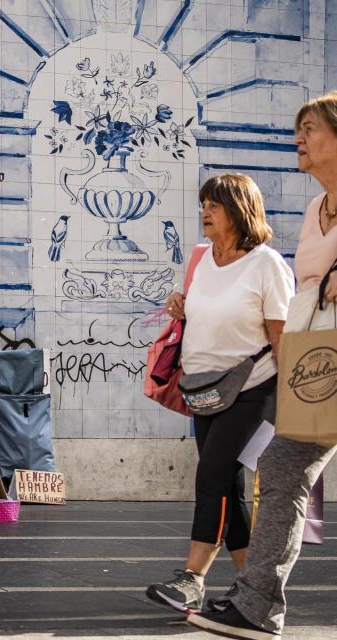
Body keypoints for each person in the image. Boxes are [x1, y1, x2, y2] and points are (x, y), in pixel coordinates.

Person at [188, 94, 337, 640]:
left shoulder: (264, 260)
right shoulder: (316, 210)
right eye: (298, 128)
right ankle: (256, 603)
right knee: (278, 469)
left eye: (310, 127)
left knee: (269, 471)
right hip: (321, 361)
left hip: (304, 367)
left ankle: (236, 594)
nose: (299, 137)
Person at [145, 173, 295, 614]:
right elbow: (200, 312)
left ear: (240, 210)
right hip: (204, 391)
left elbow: (282, 337)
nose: (205, 212)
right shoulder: (199, 258)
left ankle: (193, 578)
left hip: (253, 388)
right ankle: (253, 588)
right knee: (228, 483)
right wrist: (179, 304)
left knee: (211, 475)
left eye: (214, 204)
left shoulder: (266, 265)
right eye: (203, 204)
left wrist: (293, 405)